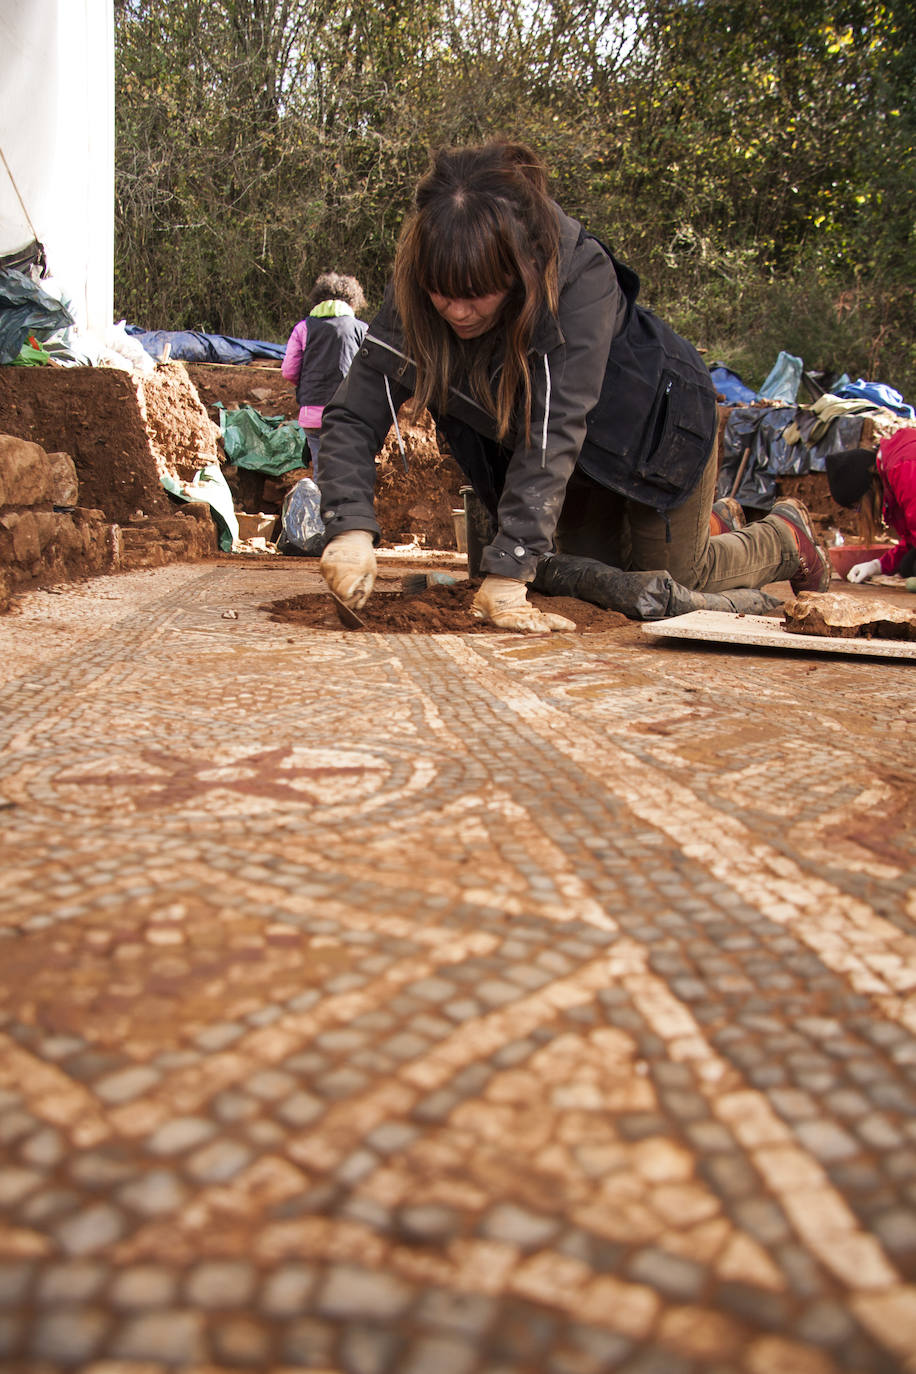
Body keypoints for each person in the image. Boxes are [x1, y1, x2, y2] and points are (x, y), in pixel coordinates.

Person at [317, 142, 830, 632]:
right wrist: (350, 526)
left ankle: (785, 536)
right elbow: (355, 412)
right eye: (441, 294)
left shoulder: (578, 278)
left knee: (676, 577)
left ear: (517, 271)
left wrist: (508, 573)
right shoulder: (425, 276)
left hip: (655, 421)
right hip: (582, 455)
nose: (455, 311)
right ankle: (710, 522)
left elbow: (552, 430)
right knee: (594, 579)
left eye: (476, 295)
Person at [282, 272, 368, 465]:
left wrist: (309, 381)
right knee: (349, 472)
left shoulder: (303, 328)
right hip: (348, 415)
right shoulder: (361, 329)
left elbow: (288, 371)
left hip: (312, 415)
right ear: (353, 302)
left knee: (322, 475)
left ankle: (321, 496)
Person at [825, 430, 916, 582]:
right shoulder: (892, 464)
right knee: (907, 563)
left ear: (865, 492)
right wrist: (878, 565)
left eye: (857, 507)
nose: (859, 513)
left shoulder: (904, 468)